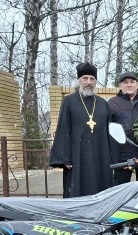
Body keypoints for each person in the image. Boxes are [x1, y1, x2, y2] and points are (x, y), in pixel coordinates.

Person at [49, 62, 114, 198]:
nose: (89, 82)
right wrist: (65, 158)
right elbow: (63, 129)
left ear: (95, 81)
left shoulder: (103, 103)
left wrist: (113, 157)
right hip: (77, 156)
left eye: (92, 79)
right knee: (78, 190)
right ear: (79, 80)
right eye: (85, 78)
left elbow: (111, 132)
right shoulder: (69, 101)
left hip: (101, 155)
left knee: (102, 190)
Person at [107, 71, 138, 185]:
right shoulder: (112, 103)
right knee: (121, 187)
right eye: (125, 82)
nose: (129, 85)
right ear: (120, 85)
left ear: (137, 84)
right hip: (121, 153)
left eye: (132, 82)